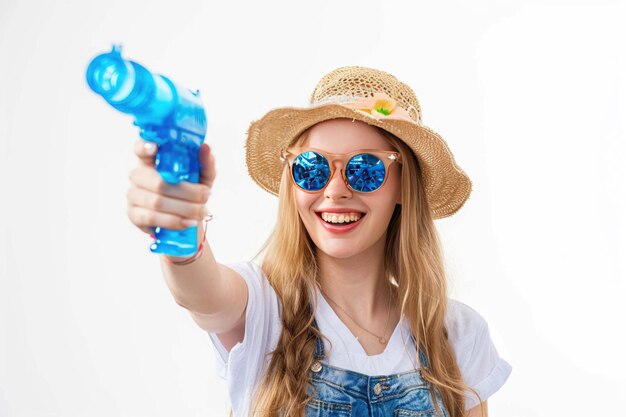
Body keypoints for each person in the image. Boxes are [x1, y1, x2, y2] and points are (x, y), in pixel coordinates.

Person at [126, 66, 512, 417]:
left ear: (402, 187)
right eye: (312, 168)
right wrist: (179, 227)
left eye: (365, 169)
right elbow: (201, 292)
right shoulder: (262, 310)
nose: (335, 190)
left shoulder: (457, 334)